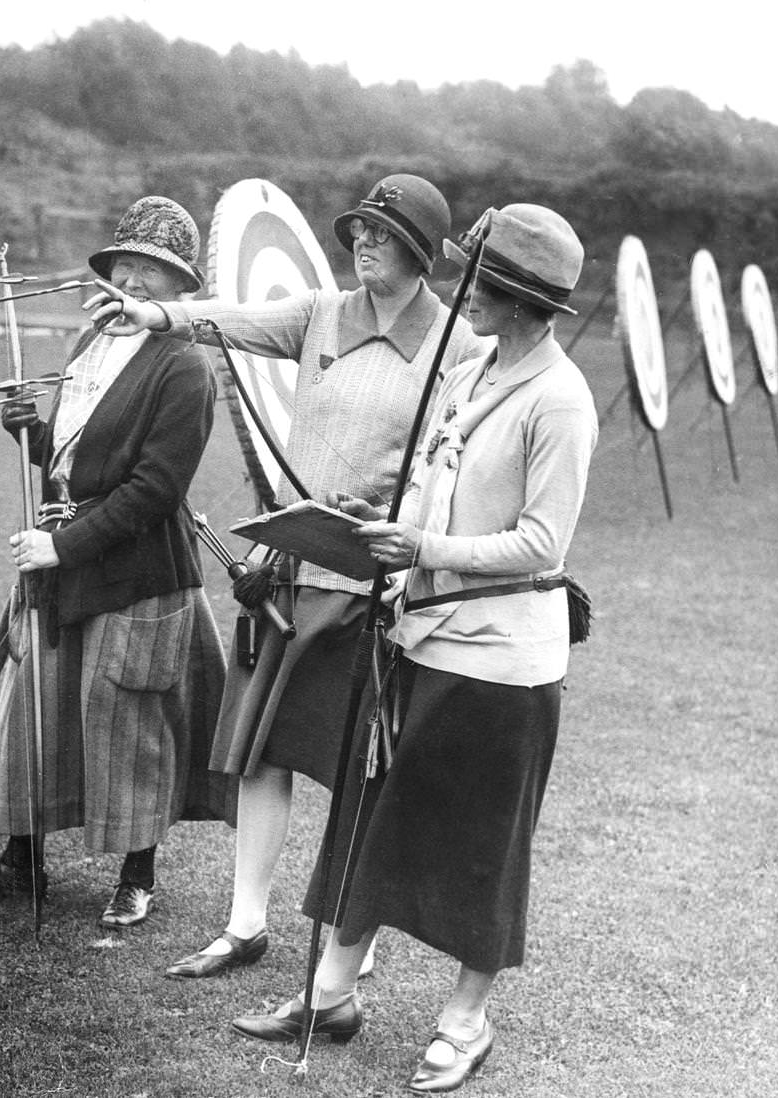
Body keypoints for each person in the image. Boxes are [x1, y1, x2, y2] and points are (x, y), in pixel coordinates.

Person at [230, 204, 597, 1095]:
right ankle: (331, 994)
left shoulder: (559, 399)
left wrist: (421, 551)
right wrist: (389, 527)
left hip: (503, 667)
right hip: (425, 639)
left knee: (482, 844)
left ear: (511, 296)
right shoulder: (478, 371)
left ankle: (465, 1023)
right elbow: (443, 492)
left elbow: (542, 545)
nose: (458, 292)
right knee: (370, 818)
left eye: (476, 281)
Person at [87, 175, 487, 978]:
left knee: (352, 765)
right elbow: (226, 321)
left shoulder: (458, 349)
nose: (361, 242)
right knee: (262, 753)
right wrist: (152, 312)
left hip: (368, 583)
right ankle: (246, 925)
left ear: (419, 252)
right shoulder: (321, 314)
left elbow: (453, 465)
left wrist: (388, 510)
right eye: (359, 230)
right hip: (290, 570)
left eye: (381, 232)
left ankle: (347, 937)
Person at [0, 196, 227, 929]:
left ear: (179, 287)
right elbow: (75, 461)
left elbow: (156, 490)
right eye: (127, 263)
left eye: (154, 271)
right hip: (62, 564)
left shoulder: (186, 368)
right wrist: (30, 434)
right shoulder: (90, 345)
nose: (134, 279)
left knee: (128, 719)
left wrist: (62, 544)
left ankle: (138, 874)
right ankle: (19, 863)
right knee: (34, 706)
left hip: (138, 572)